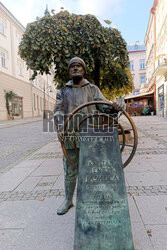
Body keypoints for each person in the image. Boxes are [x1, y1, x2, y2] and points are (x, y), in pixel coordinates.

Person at [54, 57, 121, 215]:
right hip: (70, 136)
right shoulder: (63, 91)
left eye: (79, 66)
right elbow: (58, 111)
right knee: (70, 170)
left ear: (84, 70)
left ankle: (95, 199)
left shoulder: (92, 89)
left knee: (94, 169)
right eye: (72, 66)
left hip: (91, 135)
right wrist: (59, 126)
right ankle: (68, 200)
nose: (75, 68)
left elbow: (105, 107)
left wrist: (115, 107)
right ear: (69, 70)